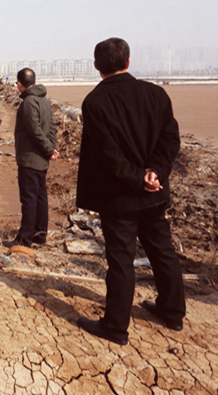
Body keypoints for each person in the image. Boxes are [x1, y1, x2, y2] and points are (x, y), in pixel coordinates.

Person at [75, 38, 185, 346]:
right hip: (153, 192)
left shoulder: (95, 102)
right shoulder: (156, 94)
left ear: (96, 66)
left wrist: (140, 177)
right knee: (162, 250)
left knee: (121, 260)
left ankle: (115, 327)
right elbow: (170, 140)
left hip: (120, 197)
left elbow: (107, 155)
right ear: (128, 61)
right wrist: (154, 173)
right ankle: (173, 312)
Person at [3, 68, 58, 248]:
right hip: (41, 158)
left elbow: (35, 131)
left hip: (30, 158)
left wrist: (49, 150)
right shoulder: (44, 101)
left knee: (29, 199)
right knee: (40, 197)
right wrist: (51, 148)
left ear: (19, 84)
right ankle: (39, 234)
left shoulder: (28, 102)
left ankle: (24, 238)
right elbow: (52, 127)